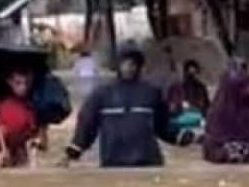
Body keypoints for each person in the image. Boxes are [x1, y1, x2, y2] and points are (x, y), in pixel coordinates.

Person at [58, 46, 189, 168]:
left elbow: (162, 126)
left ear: (139, 66)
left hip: (148, 161)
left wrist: (183, 137)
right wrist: (71, 153)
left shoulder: (151, 92)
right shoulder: (102, 94)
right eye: (125, 63)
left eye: (133, 64)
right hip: (113, 162)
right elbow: (87, 126)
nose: (129, 68)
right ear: (118, 65)